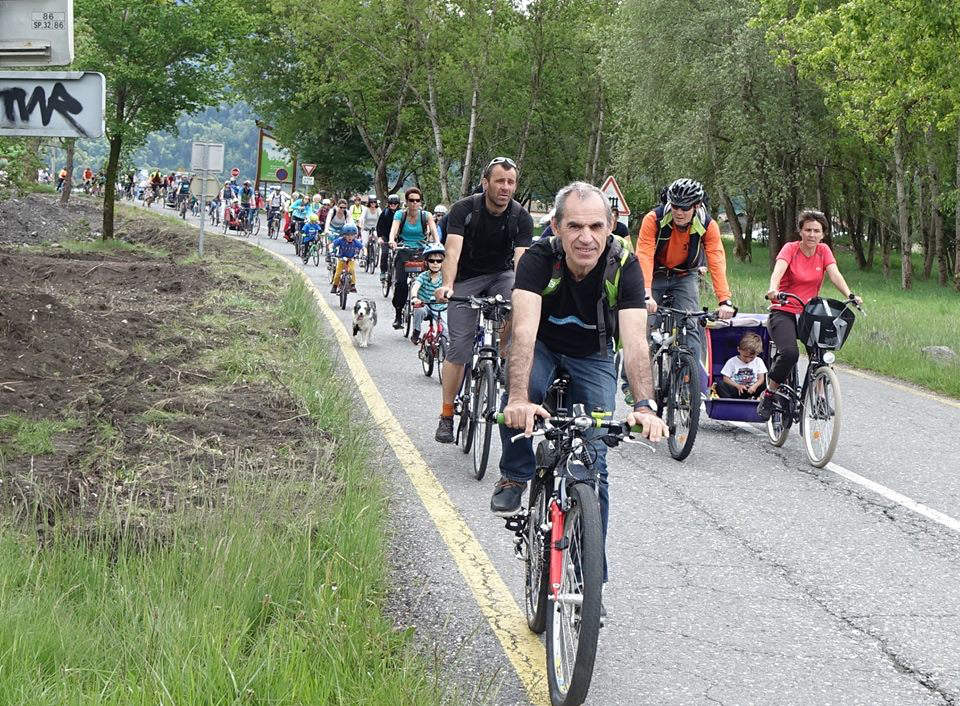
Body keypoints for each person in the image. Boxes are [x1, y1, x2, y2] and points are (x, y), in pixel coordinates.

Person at [493, 182, 669, 583]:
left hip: (594, 353)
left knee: (595, 461)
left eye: (595, 226)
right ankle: (515, 473)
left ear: (610, 227)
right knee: (522, 398)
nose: (585, 238)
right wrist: (518, 398)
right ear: (556, 226)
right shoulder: (539, 259)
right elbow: (522, 332)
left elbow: (637, 341)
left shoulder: (623, 265)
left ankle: (590, 573)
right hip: (543, 345)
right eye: (574, 226)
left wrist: (644, 405)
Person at [433, 157, 534, 442]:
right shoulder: (465, 209)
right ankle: (447, 414)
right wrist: (448, 285)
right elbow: (452, 251)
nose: (505, 187)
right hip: (464, 280)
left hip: (500, 276)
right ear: (485, 182)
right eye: (500, 181)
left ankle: (501, 353)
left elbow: (522, 263)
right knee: (460, 350)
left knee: (519, 297)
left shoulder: (520, 217)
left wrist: (528, 294)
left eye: (511, 182)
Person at [757, 209, 862, 419]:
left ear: (822, 234)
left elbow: (834, 274)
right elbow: (778, 270)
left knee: (821, 354)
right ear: (800, 231)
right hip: (784, 310)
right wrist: (773, 290)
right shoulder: (790, 249)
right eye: (808, 230)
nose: (812, 235)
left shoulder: (823, 251)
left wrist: (850, 295)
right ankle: (769, 394)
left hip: (809, 314)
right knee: (790, 354)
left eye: (816, 231)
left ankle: (820, 399)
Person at [637, 178, 736, 367]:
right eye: (675, 206)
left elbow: (716, 260)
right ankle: (631, 385)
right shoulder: (654, 219)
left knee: (691, 324)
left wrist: (724, 300)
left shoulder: (707, 225)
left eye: (685, 207)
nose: (679, 212)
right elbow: (644, 255)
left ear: (696, 206)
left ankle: (692, 382)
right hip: (655, 273)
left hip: (685, 275)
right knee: (643, 325)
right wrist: (646, 293)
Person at [388, 187, 438, 328]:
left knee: (429, 281)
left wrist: (438, 243)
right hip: (404, 250)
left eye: (417, 200)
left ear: (420, 202)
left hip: (422, 250)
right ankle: (398, 314)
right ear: (407, 201)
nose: (414, 203)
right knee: (401, 283)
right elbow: (394, 229)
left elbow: (434, 231)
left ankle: (431, 311)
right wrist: (392, 240)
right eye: (411, 200)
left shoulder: (426, 215)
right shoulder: (400, 214)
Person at [409, 242, 447, 346]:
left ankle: (443, 347)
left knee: (447, 331)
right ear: (426, 262)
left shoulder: (444, 277)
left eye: (439, 261)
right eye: (431, 260)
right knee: (419, 310)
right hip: (425, 304)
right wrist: (414, 297)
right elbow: (415, 287)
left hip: (440, 306)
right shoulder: (423, 276)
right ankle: (416, 331)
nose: (435, 263)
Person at [716, 333, 767, 399]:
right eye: (745, 356)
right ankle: (729, 401)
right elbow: (726, 378)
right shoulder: (732, 361)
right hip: (737, 389)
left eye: (752, 357)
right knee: (720, 384)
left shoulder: (758, 361)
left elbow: (761, 379)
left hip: (753, 389)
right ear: (738, 349)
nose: (748, 360)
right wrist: (737, 386)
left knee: (767, 385)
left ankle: (758, 399)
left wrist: (755, 386)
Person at [330, 224, 363, 293]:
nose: (350, 237)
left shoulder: (355, 242)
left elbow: (363, 248)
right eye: (348, 235)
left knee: (352, 270)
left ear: (354, 235)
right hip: (341, 259)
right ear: (344, 235)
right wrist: (331, 251)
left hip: (351, 259)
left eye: (352, 235)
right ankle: (335, 285)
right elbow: (332, 245)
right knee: (338, 273)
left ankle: (352, 285)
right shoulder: (340, 240)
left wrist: (364, 254)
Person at [377, 194, 402, 281]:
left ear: (398, 204)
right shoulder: (385, 213)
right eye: (391, 203)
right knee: (384, 253)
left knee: (401, 255)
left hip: (398, 238)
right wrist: (380, 237)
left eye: (395, 203)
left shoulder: (402, 213)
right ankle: (383, 271)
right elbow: (379, 226)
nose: (393, 205)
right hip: (386, 237)